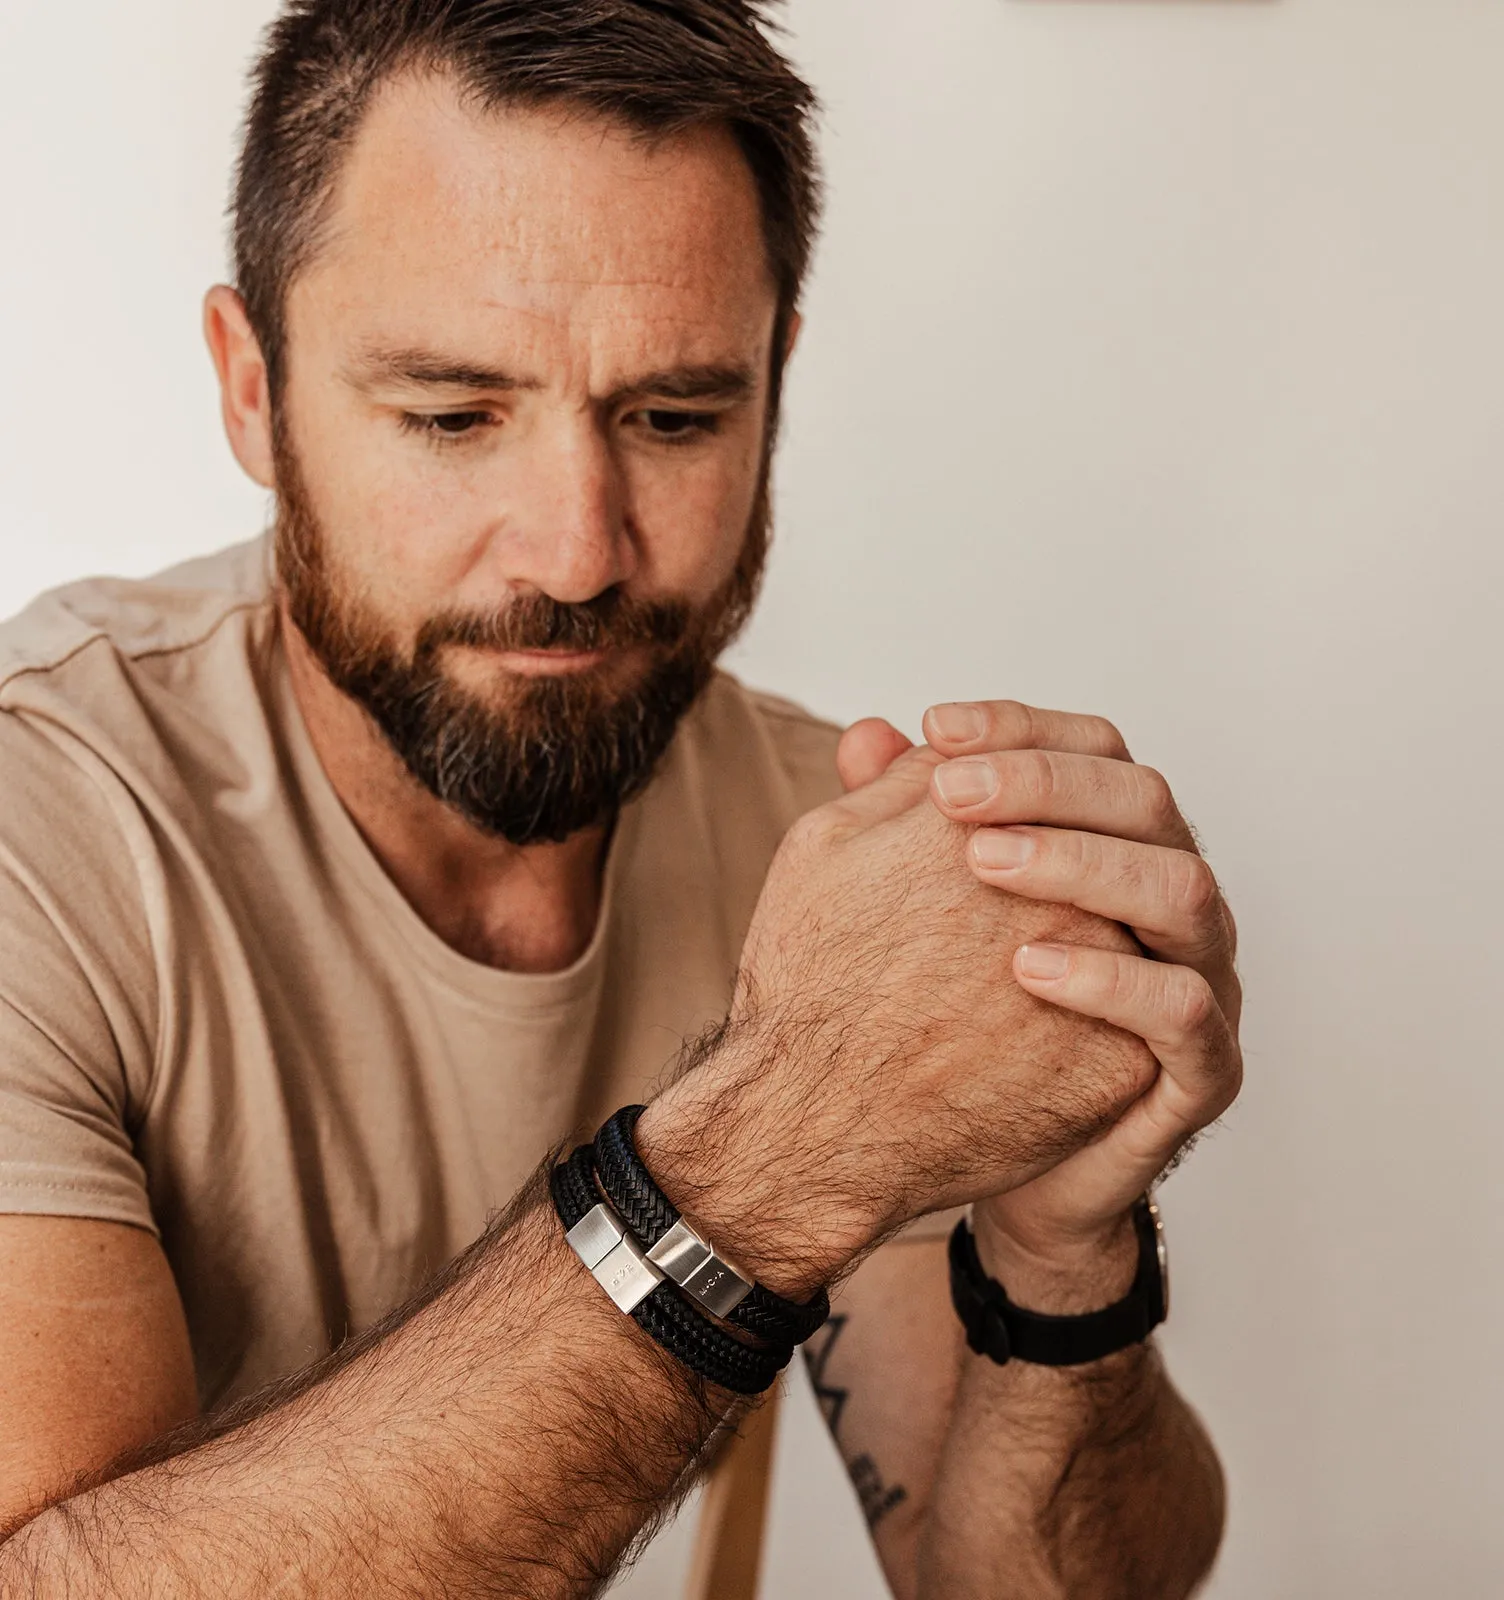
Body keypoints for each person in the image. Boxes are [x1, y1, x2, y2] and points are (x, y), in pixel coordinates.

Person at [0, 3, 1243, 1595]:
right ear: (253, 389)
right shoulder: (47, 828)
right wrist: (778, 1144)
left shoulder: (821, 848)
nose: (577, 550)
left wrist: (1063, 1265)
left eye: (675, 418)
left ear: (775, 383)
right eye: (453, 416)